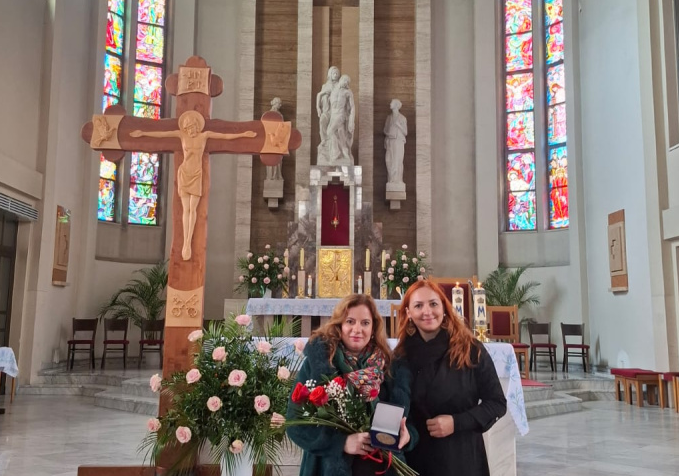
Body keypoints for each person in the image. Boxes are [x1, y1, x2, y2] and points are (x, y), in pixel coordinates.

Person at [286, 294, 416, 476]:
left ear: (373, 328)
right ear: (340, 325)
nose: (357, 329)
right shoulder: (320, 363)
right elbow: (295, 424)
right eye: (350, 321)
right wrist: (342, 443)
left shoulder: (390, 366)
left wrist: (408, 435)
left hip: (380, 468)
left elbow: (410, 421)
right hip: (329, 469)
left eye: (365, 323)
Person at [394, 280, 507, 476]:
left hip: (460, 456)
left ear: (444, 308)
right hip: (417, 457)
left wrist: (457, 422)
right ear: (408, 313)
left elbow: (497, 403)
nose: (427, 311)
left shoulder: (471, 350)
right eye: (418, 306)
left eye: (433, 304)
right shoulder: (401, 356)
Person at [130, 111, 256, 260]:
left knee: (193, 209)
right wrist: (142, 133)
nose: (190, 131)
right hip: (184, 173)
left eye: (191, 128)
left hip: (196, 174)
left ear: (197, 126)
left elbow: (225, 136)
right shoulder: (181, 135)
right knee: (186, 209)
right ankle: (185, 244)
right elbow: (161, 134)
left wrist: (244, 134)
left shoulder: (205, 135)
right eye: (187, 128)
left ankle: (189, 241)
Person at [383, 99, 407, 185]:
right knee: (388, 160)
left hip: (398, 141)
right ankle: (391, 178)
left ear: (396, 105)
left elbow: (405, 132)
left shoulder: (402, 118)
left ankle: (397, 180)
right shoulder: (389, 118)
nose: (390, 104)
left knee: (397, 160)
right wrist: (388, 134)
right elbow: (385, 130)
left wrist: (399, 125)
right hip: (390, 140)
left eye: (392, 102)